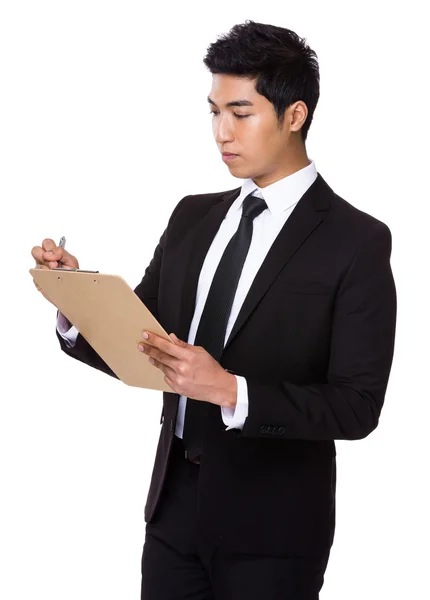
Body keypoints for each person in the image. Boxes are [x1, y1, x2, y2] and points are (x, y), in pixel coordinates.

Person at [31, 20, 397, 600]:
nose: (222, 132)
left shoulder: (356, 241)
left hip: (273, 531)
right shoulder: (192, 217)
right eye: (214, 112)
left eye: (241, 112)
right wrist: (78, 301)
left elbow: (357, 406)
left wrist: (231, 390)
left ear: (295, 115)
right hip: (173, 512)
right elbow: (143, 343)